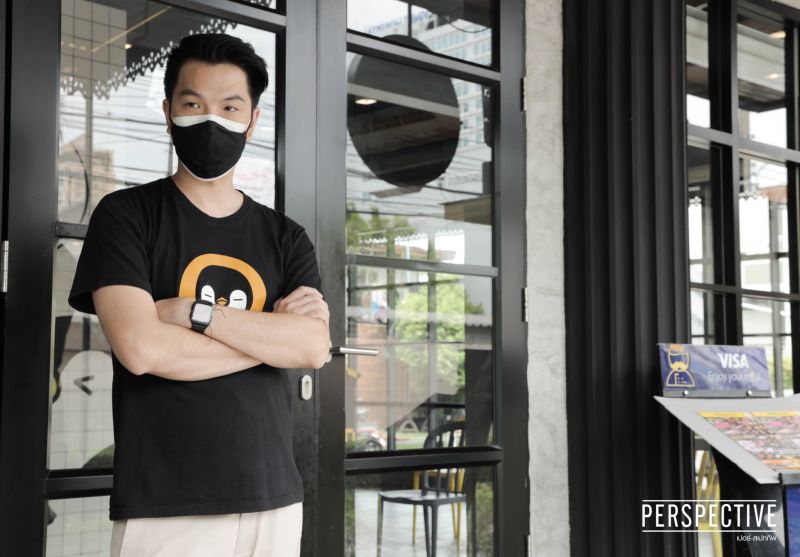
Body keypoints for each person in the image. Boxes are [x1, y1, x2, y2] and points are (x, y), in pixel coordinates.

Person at [67, 32, 330, 557]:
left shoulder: (286, 237)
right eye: (193, 105)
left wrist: (194, 313)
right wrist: (270, 340)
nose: (212, 121)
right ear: (168, 113)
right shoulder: (125, 217)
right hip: (167, 504)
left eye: (230, 107)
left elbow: (313, 347)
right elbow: (142, 349)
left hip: (274, 500)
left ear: (253, 120)